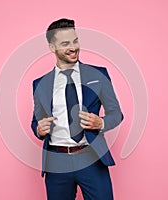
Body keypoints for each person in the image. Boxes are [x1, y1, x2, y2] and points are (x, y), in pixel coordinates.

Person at [31, 18, 123, 200]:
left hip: (91, 157)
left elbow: (116, 114)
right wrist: (39, 130)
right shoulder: (40, 84)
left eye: (75, 40)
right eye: (66, 43)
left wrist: (101, 122)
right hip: (56, 161)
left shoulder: (99, 74)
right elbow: (36, 122)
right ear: (52, 47)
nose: (73, 47)